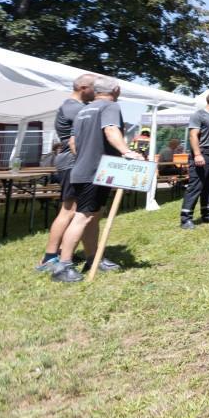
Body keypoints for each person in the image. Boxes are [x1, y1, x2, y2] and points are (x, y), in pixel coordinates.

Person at [50, 76, 143, 283]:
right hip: (95, 171)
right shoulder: (110, 106)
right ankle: (63, 266)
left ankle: (94, 259)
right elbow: (111, 130)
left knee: (92, 216)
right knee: (82, 217)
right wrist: (126, 152)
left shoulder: (84, 110)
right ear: (116, 90)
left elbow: (72, 142)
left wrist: (85, 157)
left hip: (82, 170)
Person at [36, 73, 96, 273]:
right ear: (83, 88)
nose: (97, 92)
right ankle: (49, 258)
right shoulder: (74, 108)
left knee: (78, 211)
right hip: (72, 163)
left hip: (74, 163)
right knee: (69, 210)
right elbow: (77, 139)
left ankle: (63, 252)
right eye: (94, 87)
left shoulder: (79, 106)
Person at [179, 91, 209, 229]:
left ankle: (208, 215)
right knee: (196, 186)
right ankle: (185, 219)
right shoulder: (198, 115)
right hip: (201, 153)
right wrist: (198, 154)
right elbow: (193, 136)